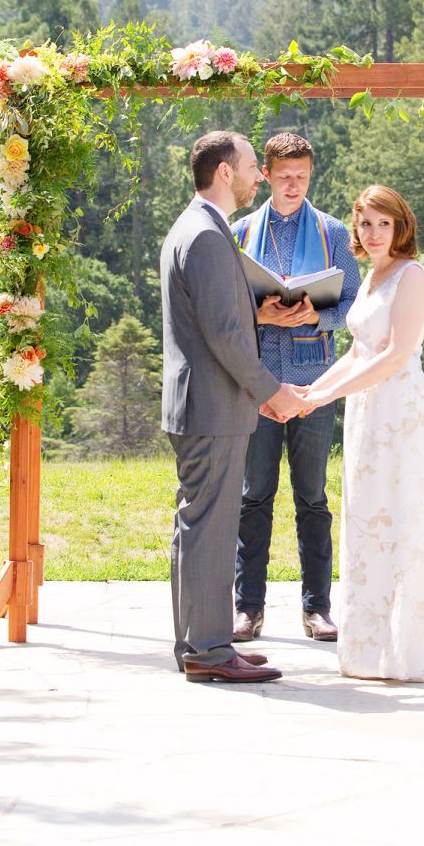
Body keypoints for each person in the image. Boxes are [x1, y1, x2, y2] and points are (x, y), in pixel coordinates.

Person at [302, 185, 424, 682]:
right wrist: (308, 392)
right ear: (356, 228)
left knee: (403, 518)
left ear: (400, 225)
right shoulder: (369, 278)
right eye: (366, 224)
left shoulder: (412, 276)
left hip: (399, 412)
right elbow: (359, 352)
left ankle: (415, 649)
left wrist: (322, 399)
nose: (374, 232)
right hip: (366, 410)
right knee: (368, 518)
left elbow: (394, 355)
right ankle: (371, 651)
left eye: (384, 223)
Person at [160, 130, 306, 684]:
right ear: (225, 172)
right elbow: (223, 336)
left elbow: (216, 320)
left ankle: (202, 643)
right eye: (250, 165)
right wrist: (272, 392)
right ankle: (208, 650)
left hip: (203, 403)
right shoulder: (206, 236)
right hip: (212, 406)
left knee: (199, 528)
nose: (258, 175)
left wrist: (259, 316)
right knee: (210, 530)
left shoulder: (196, 229)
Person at [230, 133, 361, 643]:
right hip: (256, 384)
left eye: (302, 178)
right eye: (283, 177)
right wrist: (256, 313)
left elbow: (354, 305)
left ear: (311, 175)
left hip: (314, 386)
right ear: (264, 173)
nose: (292, 186)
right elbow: (225, 309)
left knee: (313, 498)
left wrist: (319, 316)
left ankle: (317, 610)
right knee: (253, 497)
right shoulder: (239, 234)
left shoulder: (332, 233)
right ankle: (248, 610)